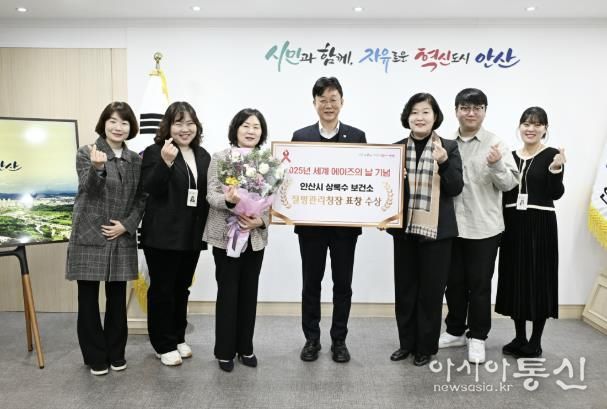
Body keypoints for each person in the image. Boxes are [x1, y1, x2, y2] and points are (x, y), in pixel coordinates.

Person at [439, 88, 519, 364]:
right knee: (453, 284)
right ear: (456, 111)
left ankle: (478, 337)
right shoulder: (445, 143)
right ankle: (455, 331)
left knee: (480, 285)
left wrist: (496, 165)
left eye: (477, 108)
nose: (470, 113)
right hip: (451, 227)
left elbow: (509, 184)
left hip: (484, 227)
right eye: (465, 107)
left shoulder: (496, 143)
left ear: (484, 111)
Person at [66, 101, 146, 376]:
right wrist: (97, 168)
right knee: (88, 298)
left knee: (117, 297)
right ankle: (95, 356)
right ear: (104, 123)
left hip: (121, 234)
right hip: (90, 232)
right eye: (113, 121)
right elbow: (87, 189)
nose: (118, 127)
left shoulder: (136, 160)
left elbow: (142, 198)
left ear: (131, 127)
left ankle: (116, 352)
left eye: (124, 122)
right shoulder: (87, 152)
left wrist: (127, 225)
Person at [386, 93, 463, 366]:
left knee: (431, 293)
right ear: (407, 117)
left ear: (435, 117)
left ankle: (425, 348)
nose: (419, 117)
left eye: (425, 112)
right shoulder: (396, 149)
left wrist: (443, 162)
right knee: (405, 291)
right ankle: (406, 344)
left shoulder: (448, 147)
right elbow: (385, 191)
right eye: (414, 112)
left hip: (438, 233)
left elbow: (455, 188)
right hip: (404, 231)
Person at [292, 76, 366, 363]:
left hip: (345, 228)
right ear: (314, 103)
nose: (328, 105)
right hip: (310, 227)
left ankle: (339, 340)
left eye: (333, 99)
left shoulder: (357, 136)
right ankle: (311, 339)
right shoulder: (300, 136)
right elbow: (293, 179)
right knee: (311, 284)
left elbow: (365, 178)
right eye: (322, 99)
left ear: (342, 102)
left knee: (342, 285)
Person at [140, 101, 210, 366]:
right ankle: (163, 344)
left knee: (182, 288)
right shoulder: (155, 151)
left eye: (190, 123)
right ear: (168, 126)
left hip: (191, 236)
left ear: (197, 126)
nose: (185, 129)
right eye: (179, 123)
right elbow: (150, 188)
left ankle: (178, 337)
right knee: (163, 290)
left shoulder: (203, 155)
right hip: (162, 236)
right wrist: (166, 162)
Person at [203, 108, 270, 372]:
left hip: (254, 239)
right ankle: (224, 351)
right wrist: (229, 200)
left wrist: (260, 220)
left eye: (256, 127)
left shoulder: (267, 162)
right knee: (228, 294)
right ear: (235, 129)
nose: (251, 131)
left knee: (249, 294)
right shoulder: (220, 158)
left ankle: (246, 347)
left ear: (262, 132)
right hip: (226, 236)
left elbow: (272, 204)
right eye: (245, 126)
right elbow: (211, 194)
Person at [495, 106, 565, 358]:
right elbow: (503, 190)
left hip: (540, 224)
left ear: (545, 128)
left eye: (537, 124)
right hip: (513, 223)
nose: (531, 128)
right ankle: (520, 337)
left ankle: (535, 341)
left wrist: (556, 170)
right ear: (520, 127)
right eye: (526, 123)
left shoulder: (552, 155)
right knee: (515, 277)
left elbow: (555, 193)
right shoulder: (510, 156)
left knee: (538, 278)